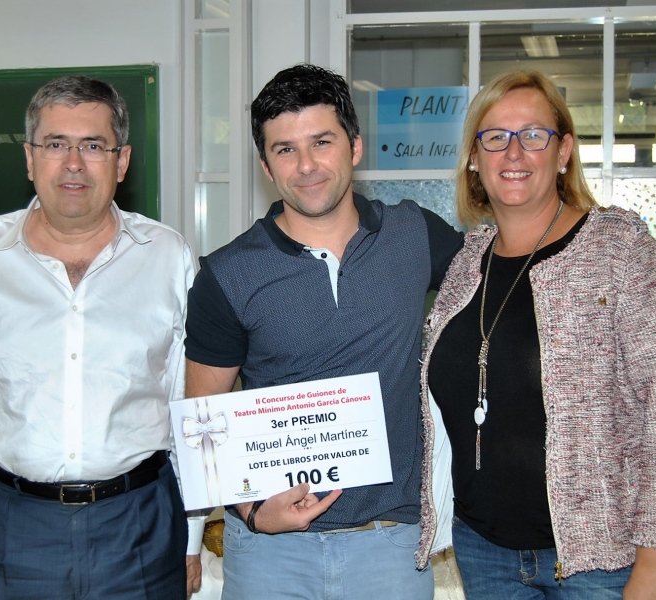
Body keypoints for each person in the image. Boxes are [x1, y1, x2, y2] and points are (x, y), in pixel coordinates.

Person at [416, 69, 656, 598]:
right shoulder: (466, 265)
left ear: (563, 152)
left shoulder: (621, 252)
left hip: (605, 562)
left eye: (534, 135)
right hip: (483, 549)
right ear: (474, 159)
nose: (514, 152)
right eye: (495, 137)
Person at [184, 63, 463, 599]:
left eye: (321, 142)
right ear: (265, 164)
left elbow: (505, 284)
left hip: (391, 543)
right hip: (269, 554)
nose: (306, 165)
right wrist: (253, 511)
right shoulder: (227, 274)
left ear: (355, 146)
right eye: (285, 149)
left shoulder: (415, 235)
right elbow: (202, 424)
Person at [0, 75, 204, 599]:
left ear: (121, 162)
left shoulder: (168, 256)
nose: (73, 163)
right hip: (9, 527)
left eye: (93, 145)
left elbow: (188, 401)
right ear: (30, 159)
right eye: (55, 144)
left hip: (140, 525)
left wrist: (190, 535)